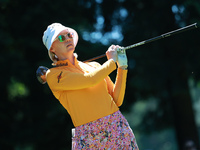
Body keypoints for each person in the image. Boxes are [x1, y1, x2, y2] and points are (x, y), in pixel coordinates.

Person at [42, 23, 139, 149]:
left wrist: (122, 67)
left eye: (69, 35)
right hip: (88, 136)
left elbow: (117, 100)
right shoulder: (53, 75)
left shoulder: (95, 66)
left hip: (117, 126)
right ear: (52, 49)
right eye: (61, 38)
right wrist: (111, 62)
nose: (68, 39)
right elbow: (90, 80)